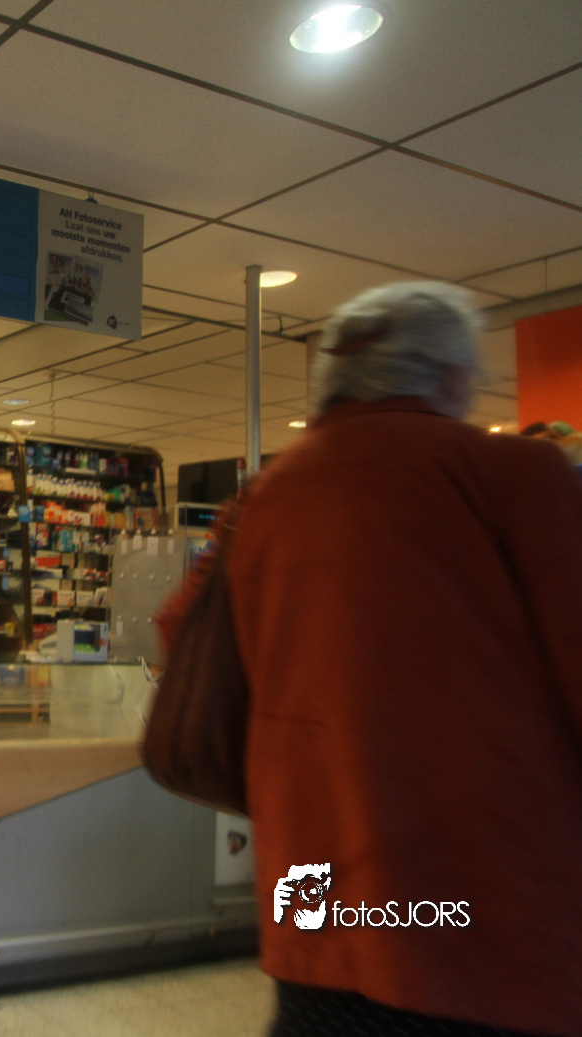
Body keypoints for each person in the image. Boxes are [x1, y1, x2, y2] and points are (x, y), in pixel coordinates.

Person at [158, 282, 582, 1036]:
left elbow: (179, 633)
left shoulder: (259, 500)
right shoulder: (517, 475)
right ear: (452, 375)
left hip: (313, 875)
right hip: (483, 890)